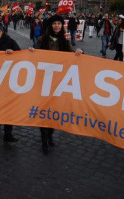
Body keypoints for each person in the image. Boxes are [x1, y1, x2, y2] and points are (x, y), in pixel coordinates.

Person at [30, 14, 83, 154]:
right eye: (54, 24)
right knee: (43, 110)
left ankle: (50, 135)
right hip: (43, 80)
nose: (56, 26)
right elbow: (35, 56)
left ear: (62, 26)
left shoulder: (65, 41)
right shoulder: (42, 39)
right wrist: (32, 52)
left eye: (59, 24)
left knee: (54, 111)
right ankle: (44, 140)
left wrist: (78, 52)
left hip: (59, 81)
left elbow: (72, 54)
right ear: (50, 25)